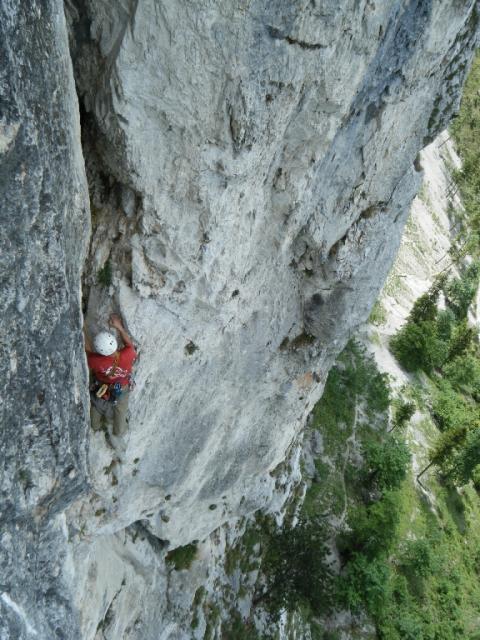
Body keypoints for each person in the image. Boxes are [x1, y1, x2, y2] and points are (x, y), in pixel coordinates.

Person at [84, 313, 137, 436]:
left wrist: (82, 329)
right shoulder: (128, 354)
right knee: (121, 410)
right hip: (122, 386)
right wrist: (119, 327)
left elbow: (87, 350)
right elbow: (129, 344)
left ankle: (96, 426)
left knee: (97, 406)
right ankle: (118, 433)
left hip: (103, 387)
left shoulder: (95, 361)